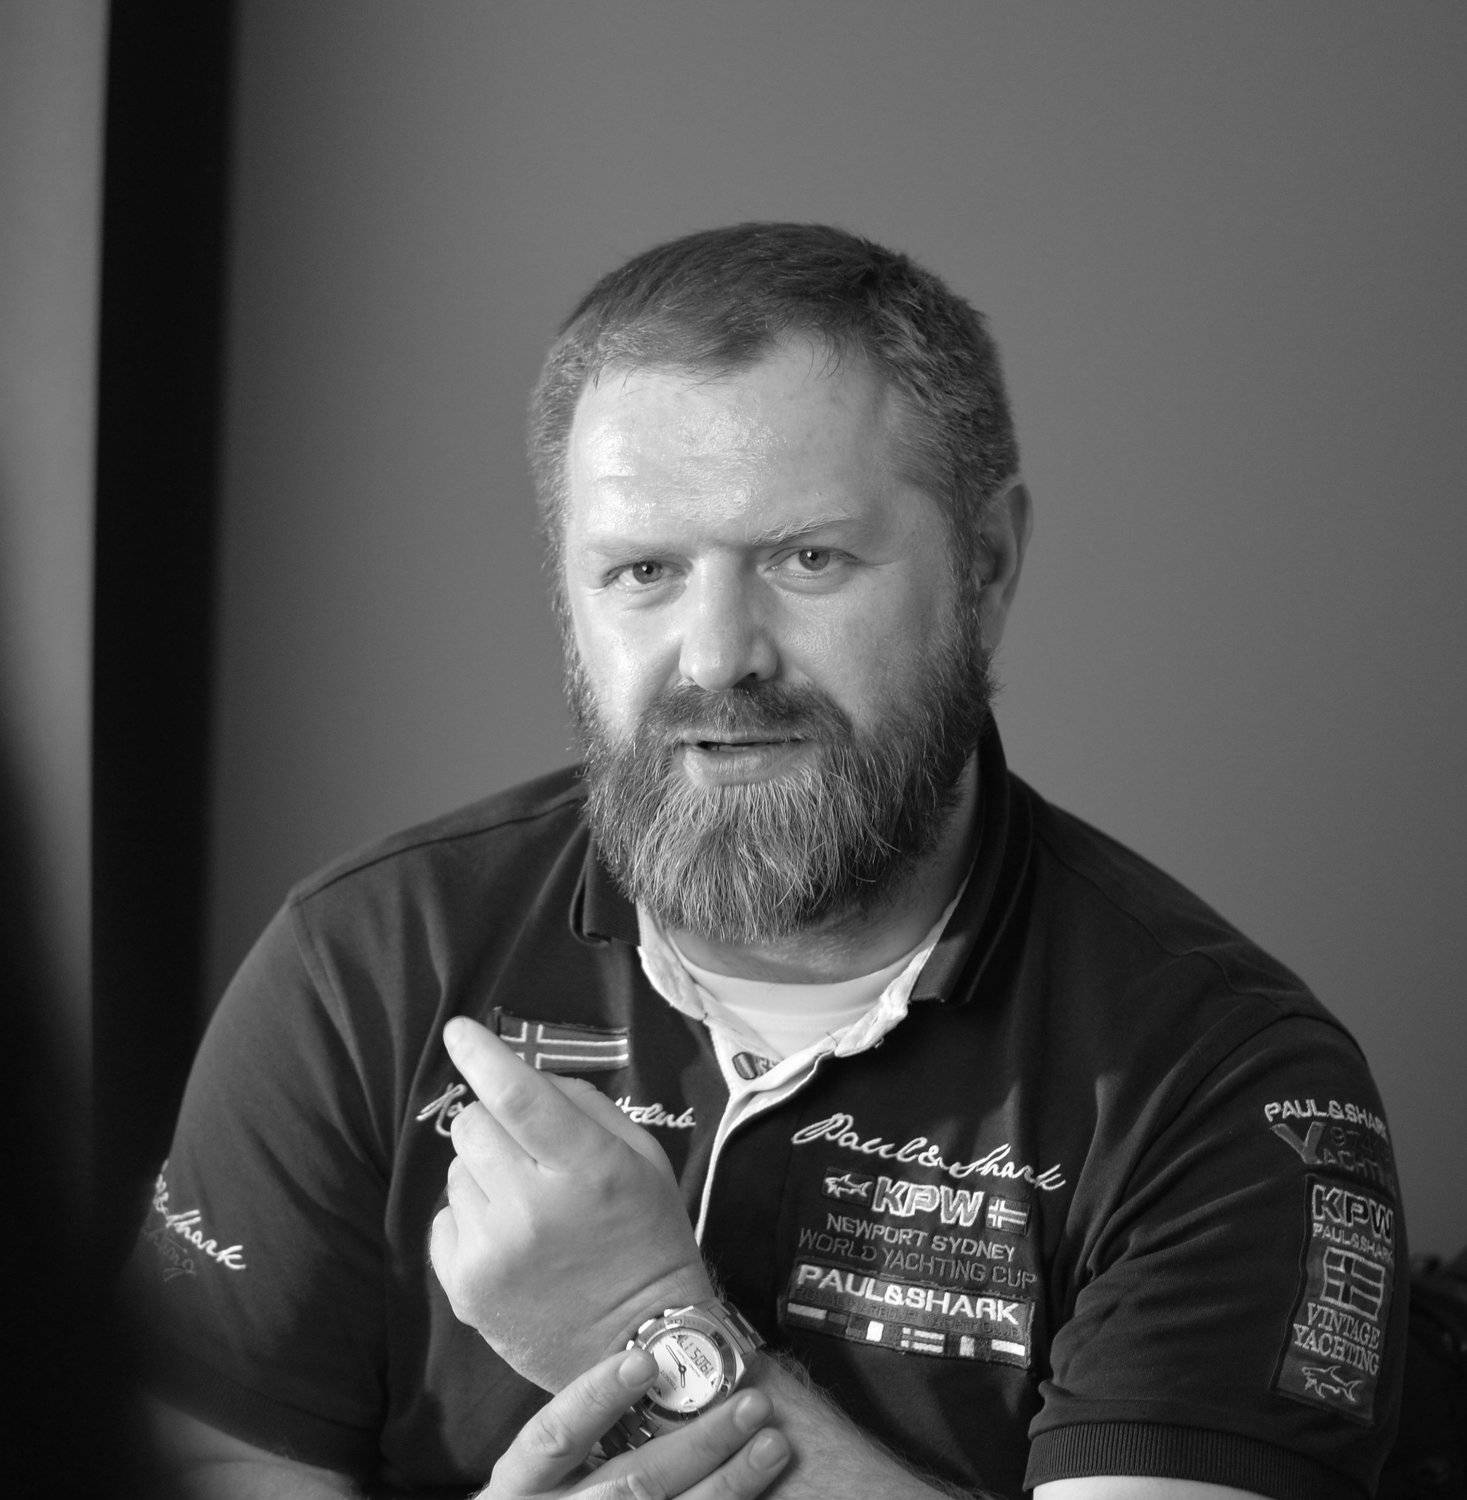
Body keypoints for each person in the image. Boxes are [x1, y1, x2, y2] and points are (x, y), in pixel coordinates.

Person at [127, 223, 1408, 1499]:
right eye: (643, 570)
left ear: (987, 565)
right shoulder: (368, 962)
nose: (718, 655)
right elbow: (206, 1451)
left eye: (808, 559)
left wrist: (637, 1321)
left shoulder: (1227, 1082)